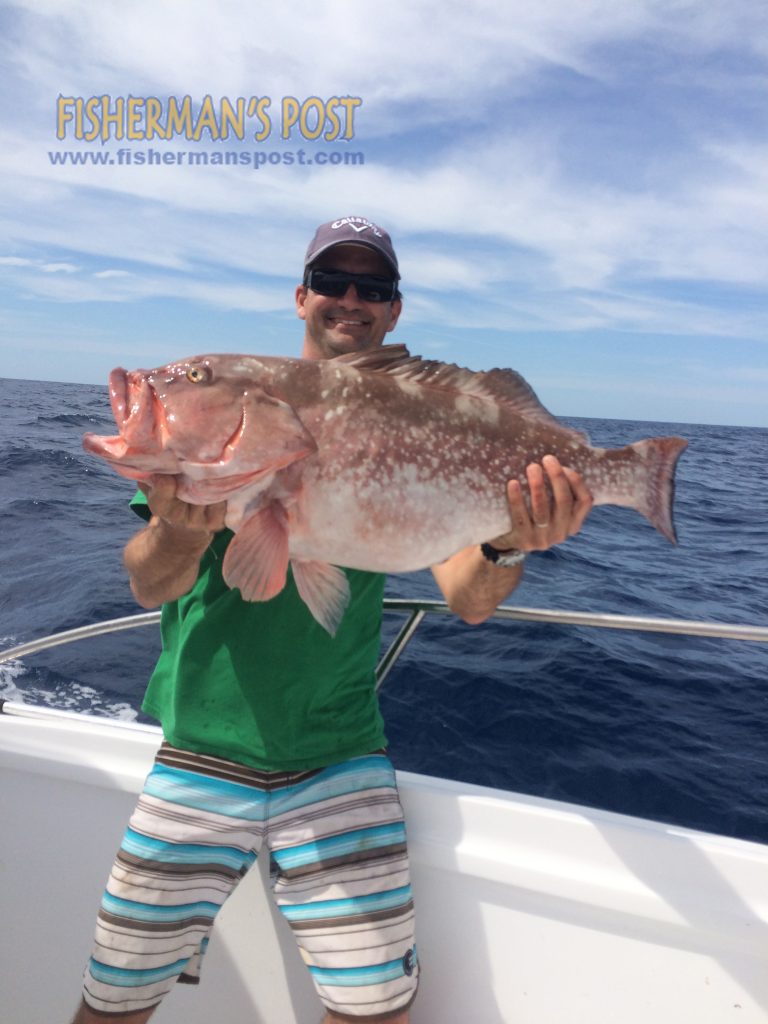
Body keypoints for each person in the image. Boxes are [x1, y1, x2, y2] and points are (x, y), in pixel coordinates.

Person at [70, 216, 593, 1024]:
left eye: (372, 288)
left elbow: (469, 598)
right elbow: (148, 584)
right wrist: (179, 525)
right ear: (301, 296)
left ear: (393, 312)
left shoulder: (412, 414)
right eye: (333, 282)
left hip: (340, 753)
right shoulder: (203, 470)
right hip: (201, 750)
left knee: (376, 1008)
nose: (350, 299)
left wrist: (510, 539)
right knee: (114, 1001)